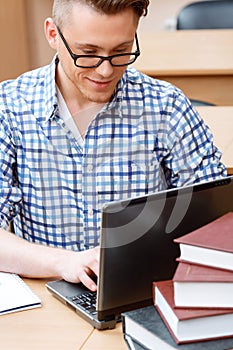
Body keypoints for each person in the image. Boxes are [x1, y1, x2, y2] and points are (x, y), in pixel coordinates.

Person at [0, 0, 226, 291]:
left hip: (142, 292)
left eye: (121, 51)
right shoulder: (8, 108)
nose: (105, 71)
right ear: (53, 34)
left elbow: (218, 220)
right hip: (47, 290)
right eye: (88, 53)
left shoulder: (166, 106)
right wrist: (64, 263)